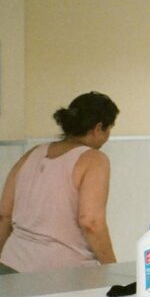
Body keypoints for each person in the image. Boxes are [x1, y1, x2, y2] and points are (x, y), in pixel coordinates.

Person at [0, 91, 120, 272]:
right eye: (109, 129)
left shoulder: (32, 154)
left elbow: (4, 215)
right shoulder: (94, 159)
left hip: (12, 263)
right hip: (60, 274)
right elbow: (91, 222)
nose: (107, 136)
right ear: (98, 128)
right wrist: (113, 270)